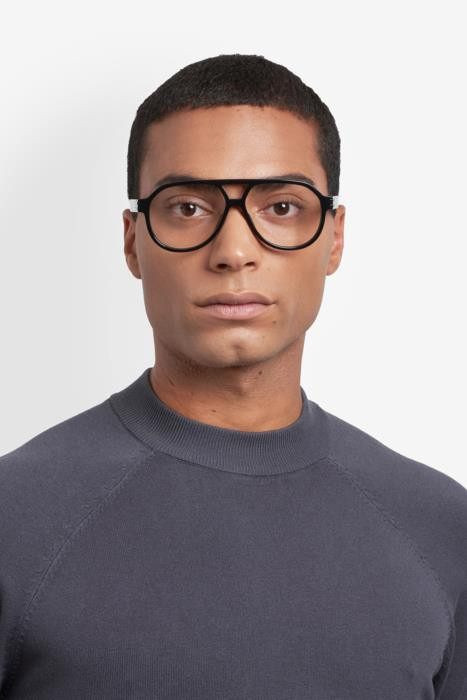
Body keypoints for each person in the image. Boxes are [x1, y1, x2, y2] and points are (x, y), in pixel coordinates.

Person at [0, 53, 465, 700]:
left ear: (333, 238)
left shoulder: (441, 526)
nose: (234, 251)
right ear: (133, 241)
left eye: (281, 206)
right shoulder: (14, 519)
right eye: (188, 207)